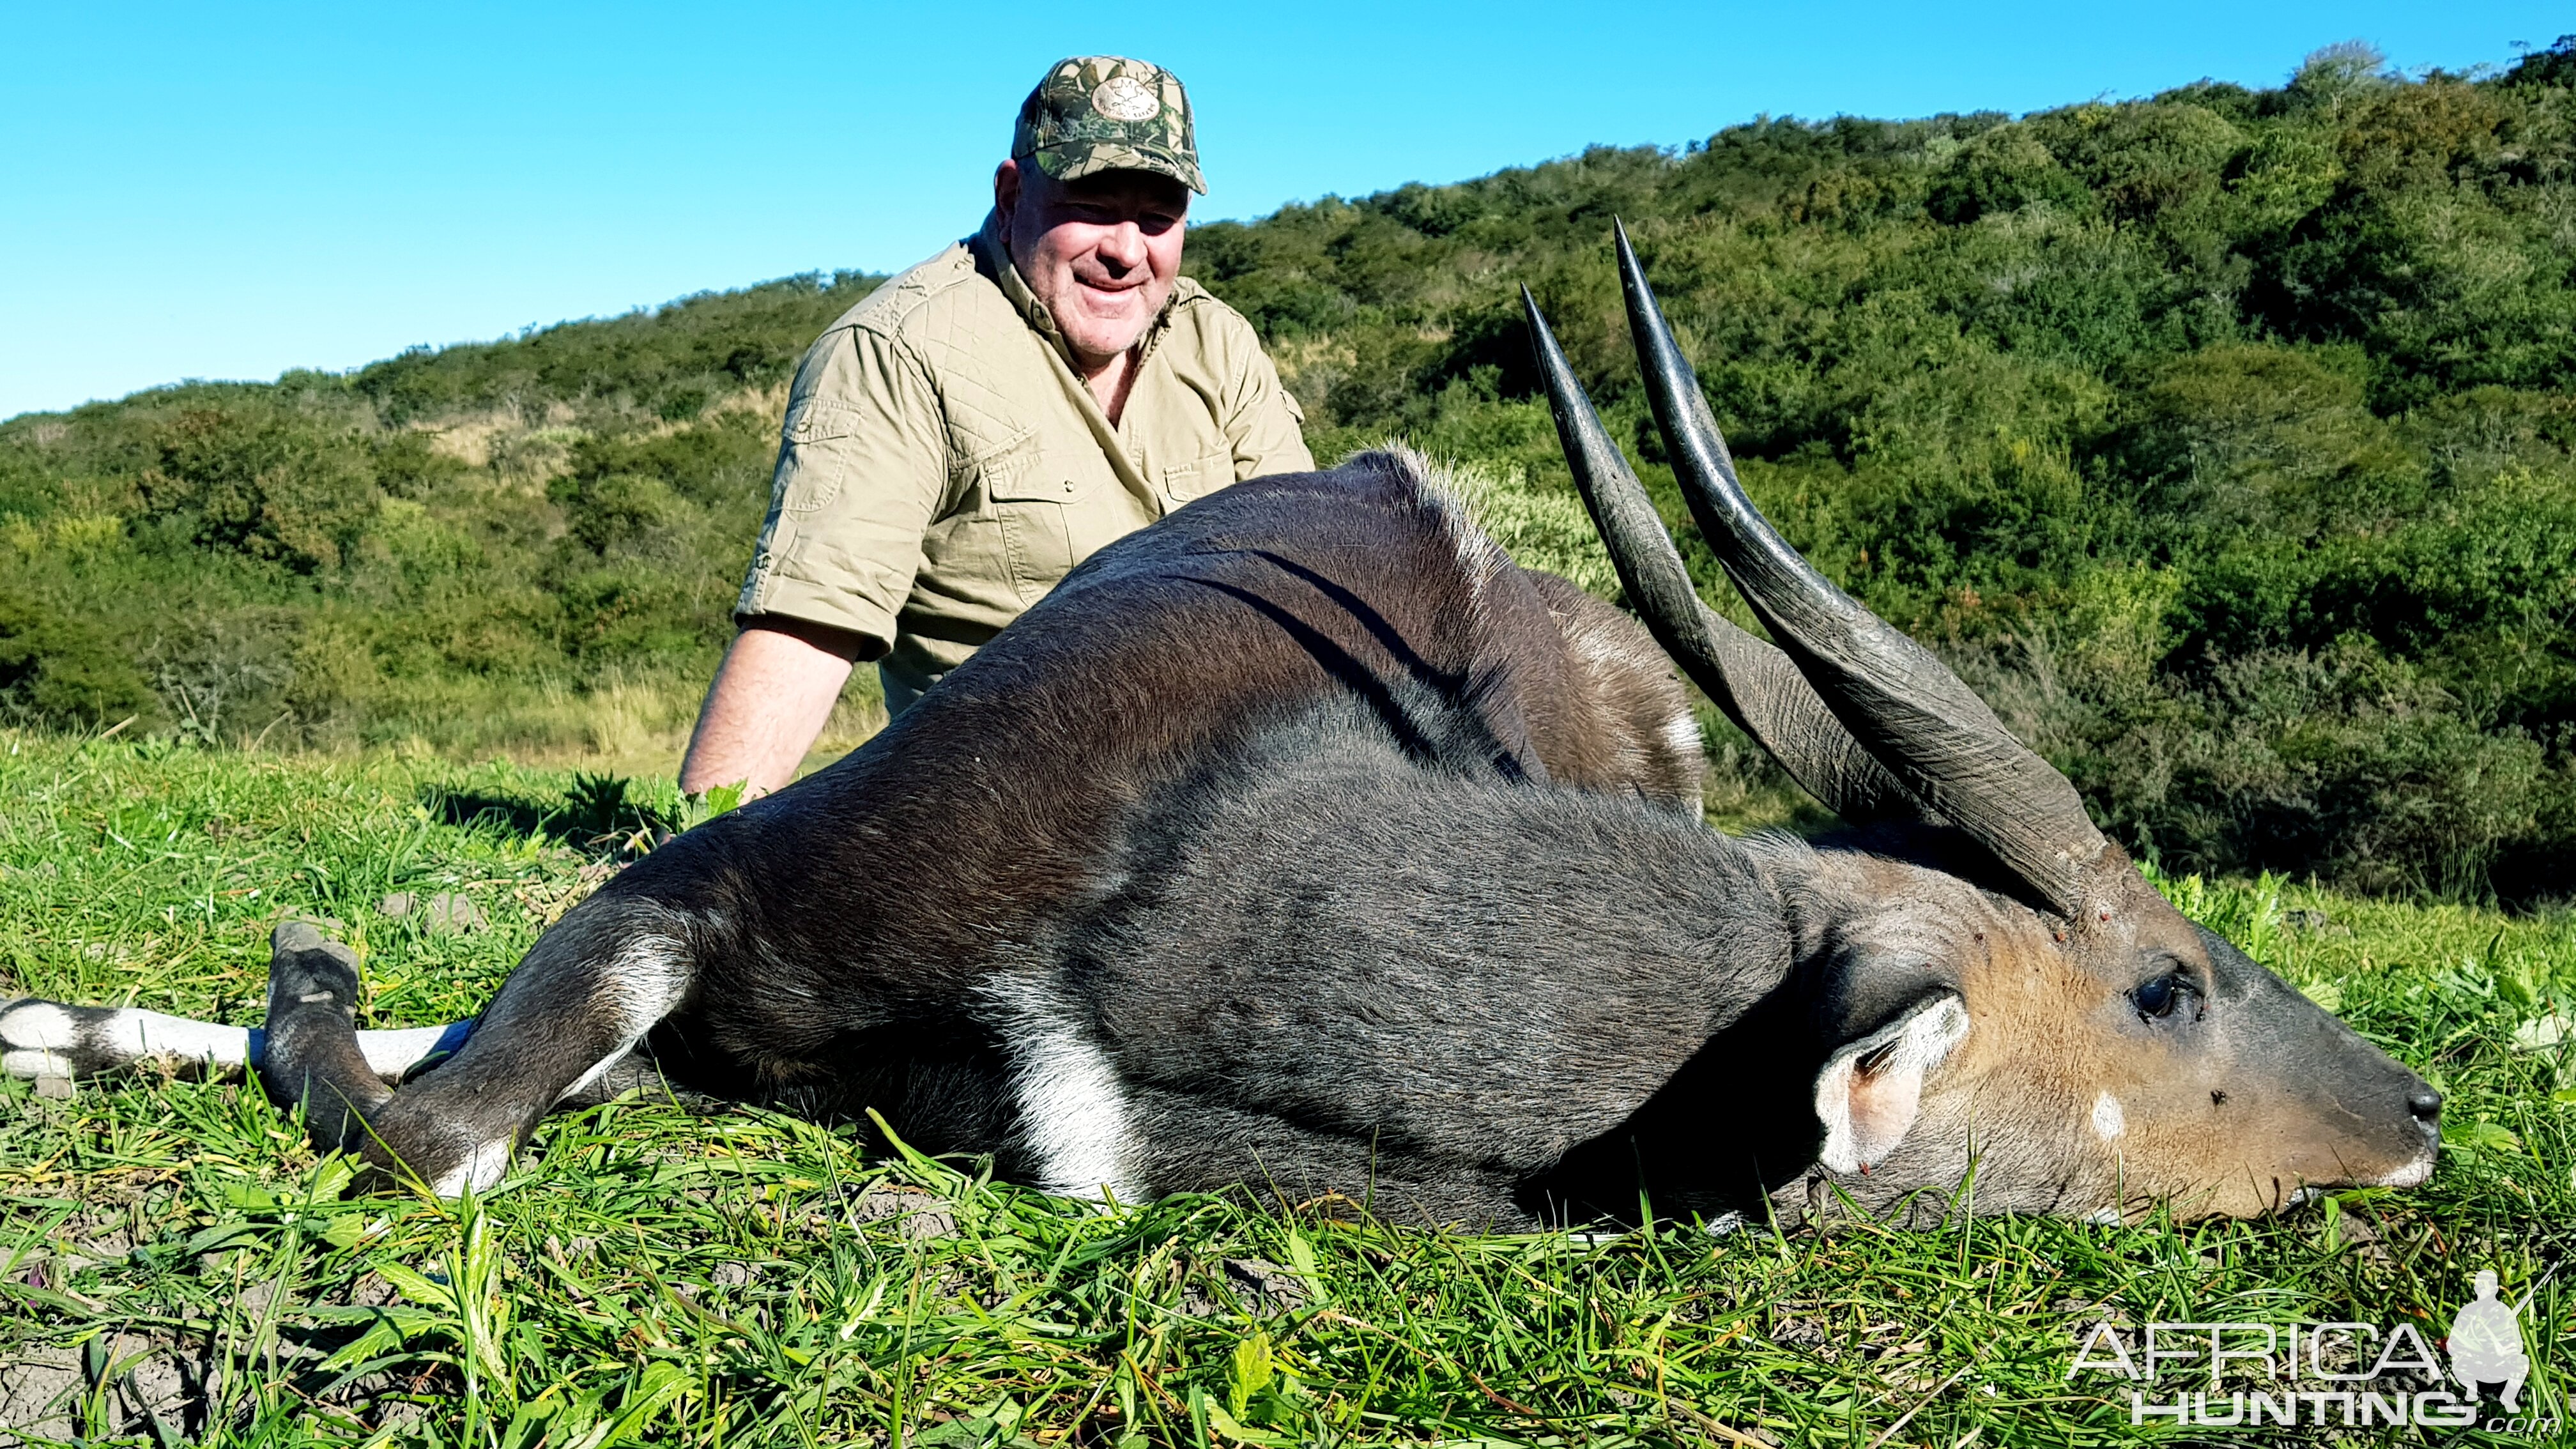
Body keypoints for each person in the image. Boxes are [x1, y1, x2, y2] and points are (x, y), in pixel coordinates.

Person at [679, 55, 1314, 797]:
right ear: (1011, 196)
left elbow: (1303, 581)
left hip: (1242, 787)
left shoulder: (1220, 344)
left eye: (1157, 216)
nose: (1126, 250)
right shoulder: (899, 352)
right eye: (1095, 205)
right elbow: (811, 622)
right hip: (1013, 810)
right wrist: (690, 852)